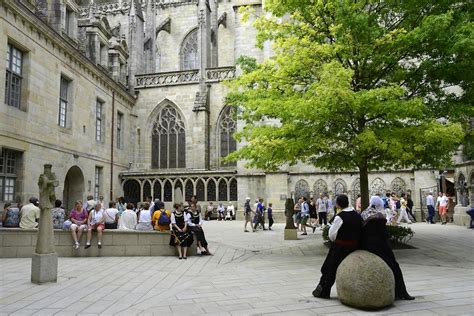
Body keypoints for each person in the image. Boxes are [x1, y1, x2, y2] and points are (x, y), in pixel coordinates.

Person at [360, 196, 415, 300]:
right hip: (379, 245)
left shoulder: (364, 213)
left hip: (366, 245)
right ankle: (401, 292)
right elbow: (384, 234)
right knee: (394, 266)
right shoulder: (379, 216)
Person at [312, 194, 362, 299]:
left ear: (338, 204)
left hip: (341, 248)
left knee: (329, 268)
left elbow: (332, 236)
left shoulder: (340, 217)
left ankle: (323, 291)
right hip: (355, 247)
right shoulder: (358, 215)